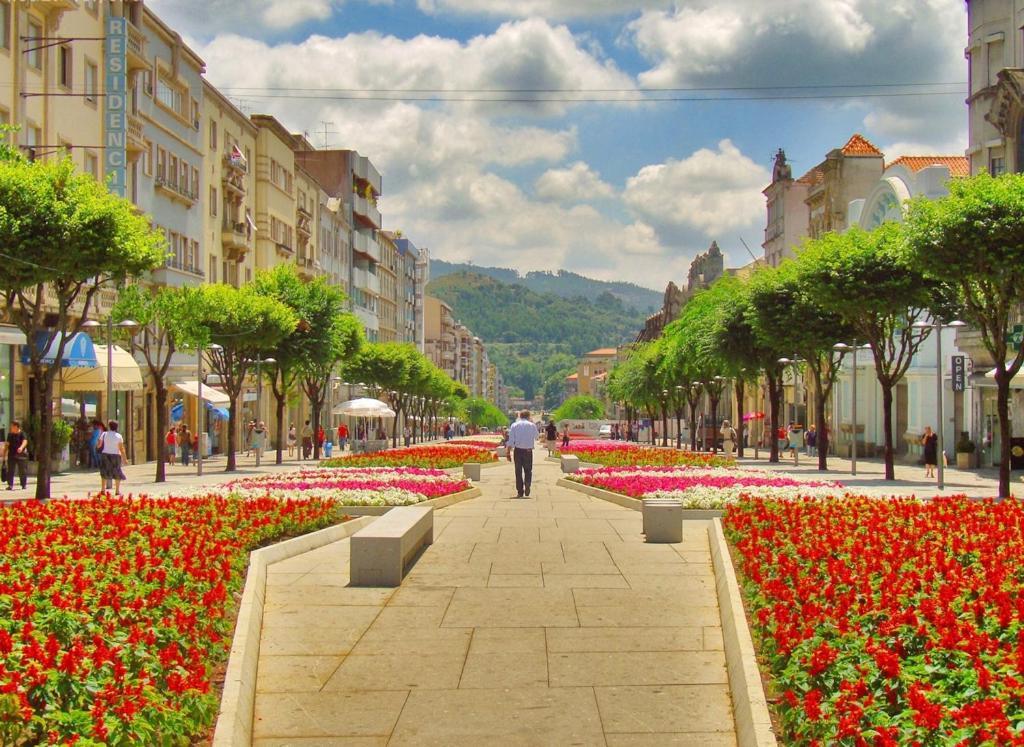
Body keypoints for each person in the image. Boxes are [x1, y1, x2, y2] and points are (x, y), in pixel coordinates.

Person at [506, 410, 539, 498]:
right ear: (529, 416)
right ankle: (527, 484)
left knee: (518, 471)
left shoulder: (514, 425)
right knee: (528, 471)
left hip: (518, 451)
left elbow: (511, 440)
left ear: (520, 416)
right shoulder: (532, 425)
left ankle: (520, 491)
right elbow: (537, 437)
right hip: (528, 451)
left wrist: (508, 452)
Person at [98, 420, 128, 495]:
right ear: (116, 427)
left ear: (109, 426)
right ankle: (117, 491)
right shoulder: (119, 436)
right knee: (117, 472)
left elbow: (99, 445)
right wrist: (125, 459)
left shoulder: (104, 434)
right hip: (116, 455)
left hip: (105, 454)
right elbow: (121, 448)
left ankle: (103, 490)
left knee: (104, 472)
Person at [3, 420, 29, 491]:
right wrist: (4, 455)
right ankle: (10, 485)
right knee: (10, 470)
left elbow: (25, 441)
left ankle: (23, 485)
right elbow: (7, 445)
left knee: (23, 471)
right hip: (12, 455)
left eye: (12, 426)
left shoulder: (22, 434)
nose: (11, 427)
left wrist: (21, 447)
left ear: (16, 427)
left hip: (21, 456)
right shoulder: (10, 435)